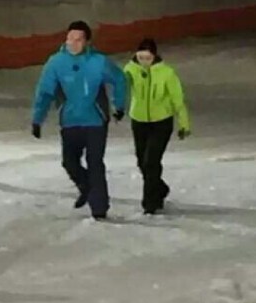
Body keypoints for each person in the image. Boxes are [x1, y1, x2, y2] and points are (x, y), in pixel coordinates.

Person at [31, 21, 126, 221]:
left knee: (95, 163)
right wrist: (37, 119)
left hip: (95, 121)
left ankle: (99, 208)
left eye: (78, 39)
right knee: (69, 162)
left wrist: (119, 105)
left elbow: (119, 79)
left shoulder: (98, 62)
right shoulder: (56, 62)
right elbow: (45, 92)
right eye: (70, 39)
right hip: (70, 121)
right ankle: (86, 187)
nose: (73, 43)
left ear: (87, 42)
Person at [124, 39, 190, 215]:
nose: (144, 62)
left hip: (161, 122)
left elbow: (177, 99)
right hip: (139, 121)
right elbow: (121, 87)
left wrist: (184, 123)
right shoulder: (130, 69)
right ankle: (159, 188)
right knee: (142, 162)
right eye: (141, 57)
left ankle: (150, 203)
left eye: (148, 58)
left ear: (154, 56)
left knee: (151, 161)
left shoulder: (167, 73)